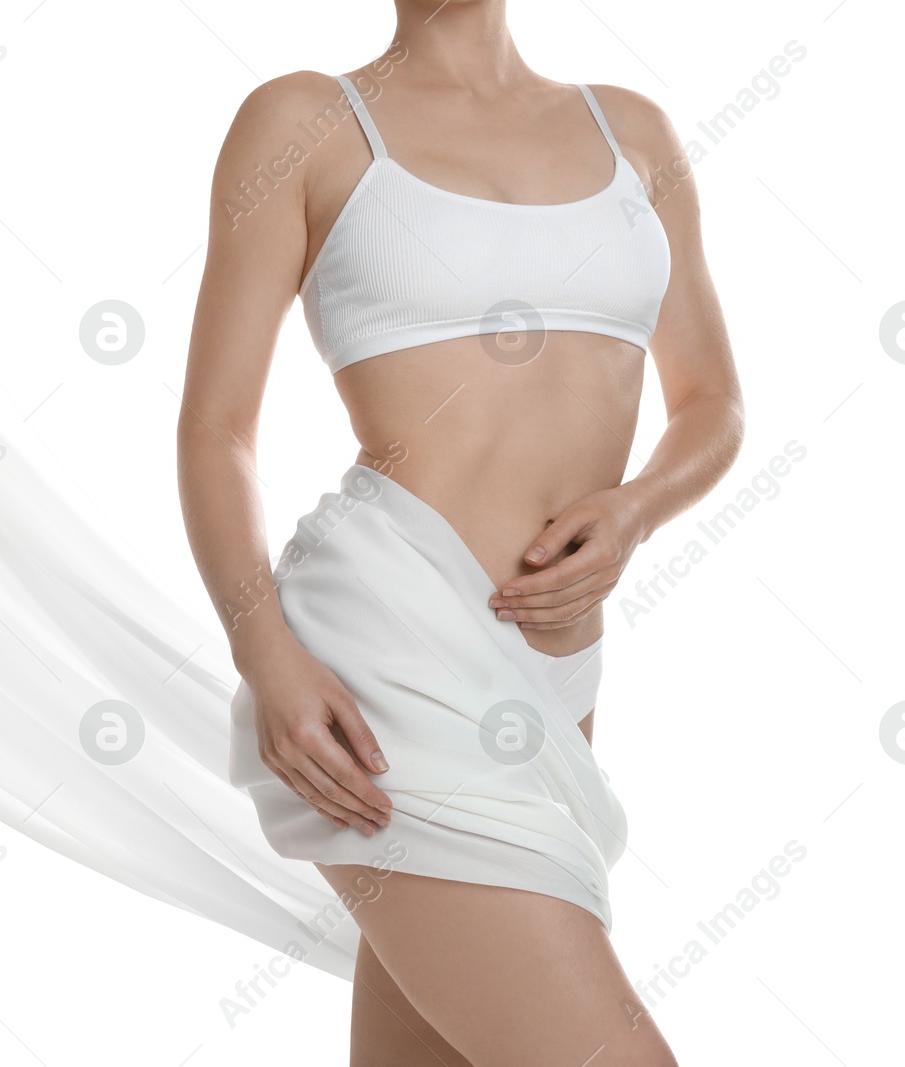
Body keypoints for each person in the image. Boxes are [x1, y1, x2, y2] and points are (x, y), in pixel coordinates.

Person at [178, 3, 742, 1062]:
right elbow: (216, 431)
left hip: (555, 687)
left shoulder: (634, 133)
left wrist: (634, 509)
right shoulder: (303, 122)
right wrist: (266, 653)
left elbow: (712, 401)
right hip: (381, 659)